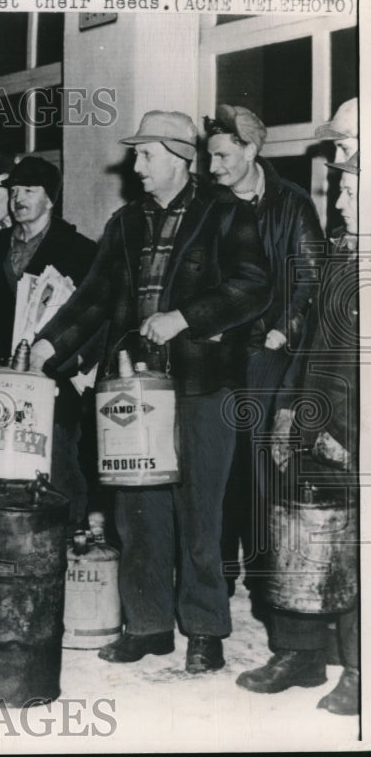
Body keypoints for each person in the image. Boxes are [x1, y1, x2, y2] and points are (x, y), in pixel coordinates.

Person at [30, 111, 271, 674]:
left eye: (147, 155)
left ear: (180, 160)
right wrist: (48, 346)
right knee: (136, 509)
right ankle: (148, 625)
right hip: (134, 387)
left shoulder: (226, 213)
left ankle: (206, 630)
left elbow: (253, 286)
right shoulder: (124, 224)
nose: (135, 166)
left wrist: (184, 317)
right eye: (137, 155)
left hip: (203, 387)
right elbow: (92, 298)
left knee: (199, 512)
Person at [236, 152, 360, 715]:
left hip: (352, 435)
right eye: (340, 191)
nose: (338, 203)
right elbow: (308, 343)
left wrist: (350, 440)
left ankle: (358, 670)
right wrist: (286, 410)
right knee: (292, 534)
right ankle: (298, 652)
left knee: (354, 551)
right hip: (312, 418)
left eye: (352, 193)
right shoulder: (340, 254)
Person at [204, 105, 325, 596]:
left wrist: (282, 330)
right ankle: (219, 574)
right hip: (216, 352)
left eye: (222, 155)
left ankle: (263, 577)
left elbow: (310, 277)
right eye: (209, 157)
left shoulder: (291, 203)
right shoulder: (209, 206)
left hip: (266, 351)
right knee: (218, 468)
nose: (212, 167)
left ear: (251, 151)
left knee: (259, 469)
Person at [0, 156, 98, 522]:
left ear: (50, 199)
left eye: (29, 191)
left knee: (56, 469)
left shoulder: (79, 251)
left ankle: (66, 549)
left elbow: (93, 320)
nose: (18, 199)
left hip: (52, 383)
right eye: (14, 190)